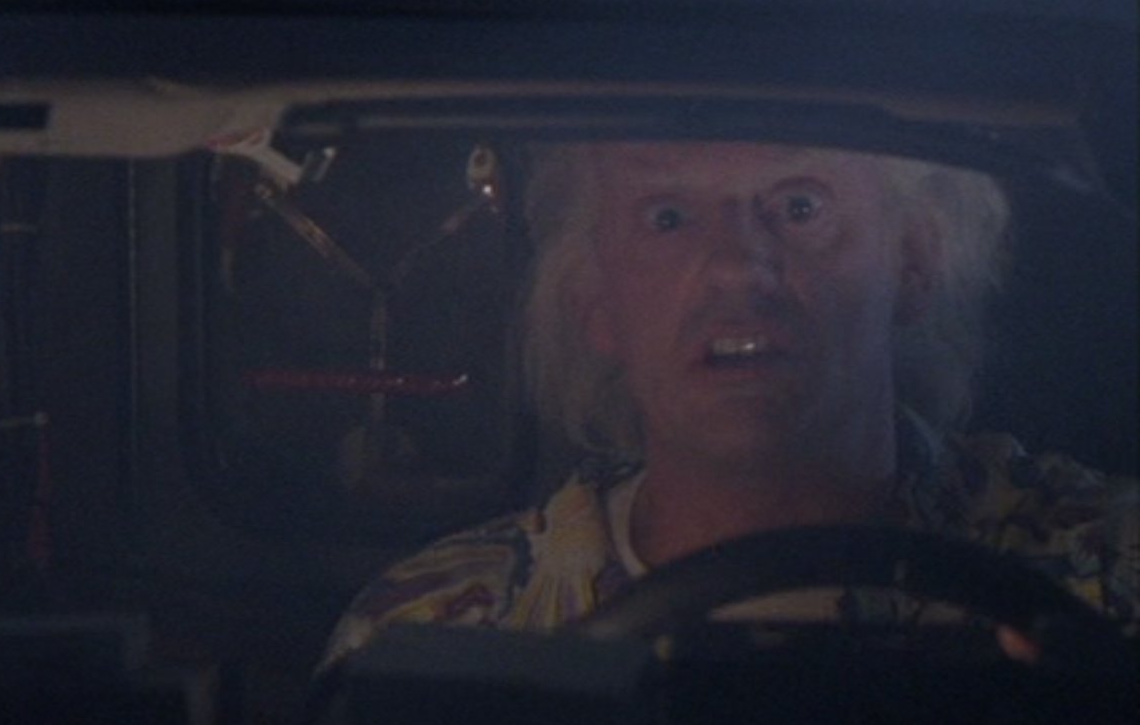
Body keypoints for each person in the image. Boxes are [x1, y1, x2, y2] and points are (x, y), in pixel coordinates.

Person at [322, 140, 1138, 670]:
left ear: (914, 264)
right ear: (593, 299)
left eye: (800, 207)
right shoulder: (441, 628)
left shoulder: (1107, 574)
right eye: (667, 217)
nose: (735, 267)